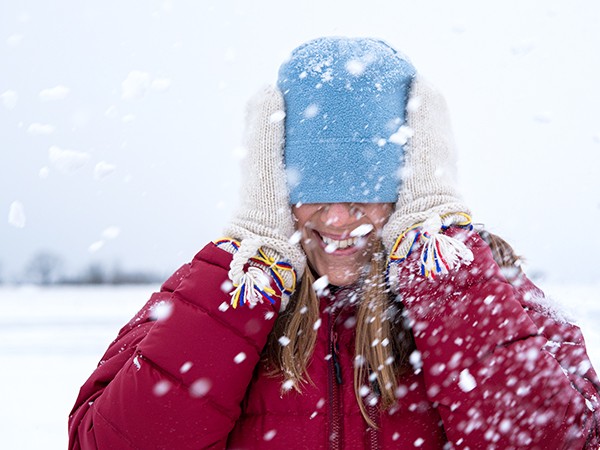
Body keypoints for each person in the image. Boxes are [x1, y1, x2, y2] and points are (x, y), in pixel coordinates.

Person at [68, 37, 600, 449]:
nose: (340, 216)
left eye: (367, 189)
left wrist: (442, 272)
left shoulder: (489, 291)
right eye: (314, 189)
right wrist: (246, 280)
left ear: (412, 183)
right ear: (274, 185)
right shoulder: (213, 293)